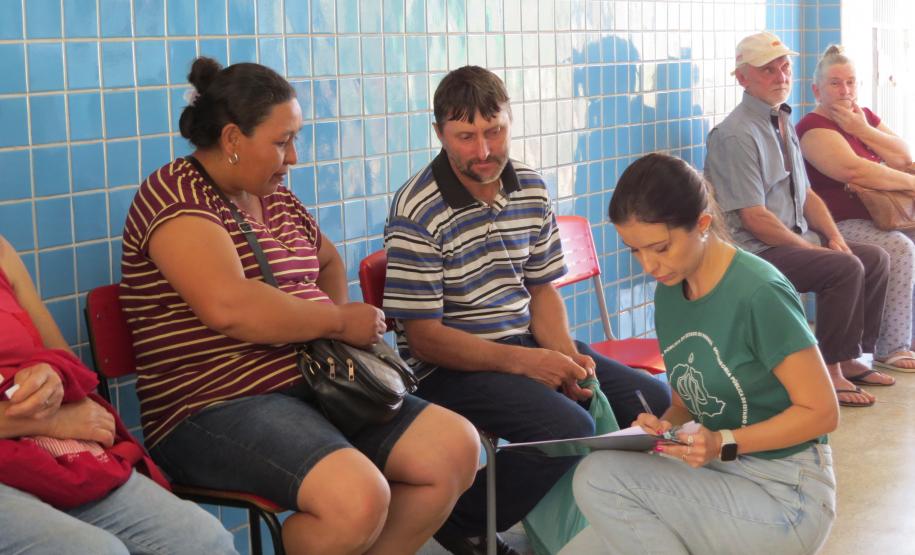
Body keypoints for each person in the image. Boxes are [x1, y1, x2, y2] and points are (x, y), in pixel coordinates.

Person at [120, 57, 480, 555]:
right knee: (358, 499)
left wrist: (329, 339)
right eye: (280, 141)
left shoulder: (274, 197)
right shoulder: (176, 196)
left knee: (455, 449)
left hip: (308, 384)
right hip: (212, 404)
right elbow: (230, 306)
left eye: (296, 138)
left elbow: (329, 262)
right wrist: (336, 321)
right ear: (230, 139)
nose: (293, 157)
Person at [383, 65, 671, 555]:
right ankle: (460, 519)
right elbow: (425, 338)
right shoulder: (416, 209)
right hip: (447, 367)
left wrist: (564, 357)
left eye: (494, 130)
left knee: (658, 404)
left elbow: (541, 291)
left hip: (525, 344)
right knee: (567, 428)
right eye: (466, 136)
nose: (484, 151)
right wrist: (530, 363)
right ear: (439, 134)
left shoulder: (531, 188)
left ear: (510, 119)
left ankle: (627, 525)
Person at [566, 152, 838, 554]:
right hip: (718, 476)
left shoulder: (759, 292)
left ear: (703, 224)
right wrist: (661, 427)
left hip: (787, 495)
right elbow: (686, 404)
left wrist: (724, 441)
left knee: (596, 477)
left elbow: (823, 412)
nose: (649, 265)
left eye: (659, 247)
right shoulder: (670, 290)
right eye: (635, 251)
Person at [0, 235, 237, 555]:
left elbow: (61, 356)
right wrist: (52, 422)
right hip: (34, 438)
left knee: (206, 540)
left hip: (47, 452)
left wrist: (52, 376)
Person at [704, 31, 891, 408]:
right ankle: (830, 370)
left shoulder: (782, 121)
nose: (780, 76)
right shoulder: (736, 134)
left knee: (874, 258)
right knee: (843, 269)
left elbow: (806, 195)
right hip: (754, 251)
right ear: (742, 78)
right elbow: (754, 217)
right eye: (767, 70)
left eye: (784, 67)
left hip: (790, 239)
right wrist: (811, 248)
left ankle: (850, 356)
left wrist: (833, 237)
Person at [797, 44, 915, 375]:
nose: (845, 91)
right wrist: (911, 185)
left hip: (882, 215)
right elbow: (855, 171)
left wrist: (862, 130)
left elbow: (904, 156)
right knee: (899, 247)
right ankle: (891, 347)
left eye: (851, 82)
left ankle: (910, 335)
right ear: (817, 89)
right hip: (838, 223)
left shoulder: (862, 117)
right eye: (835, 83)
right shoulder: (812, 127)